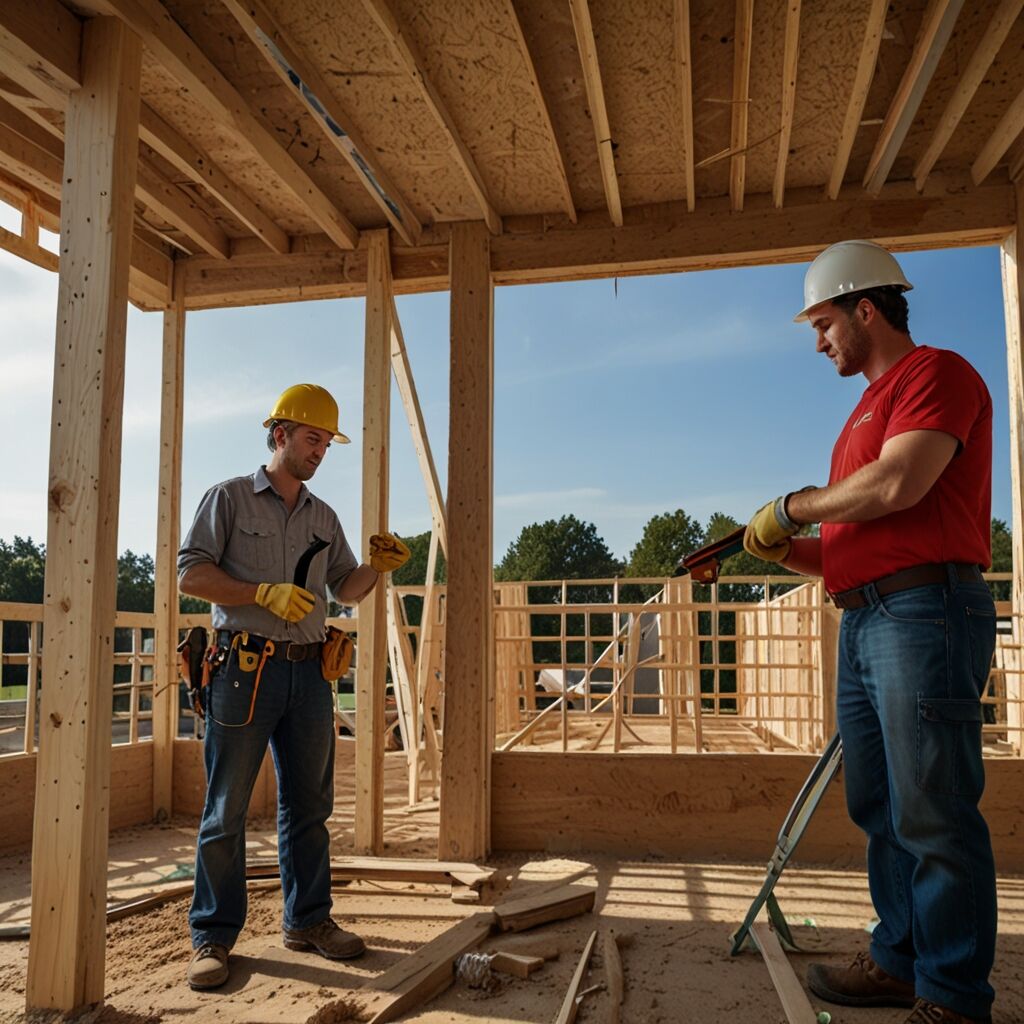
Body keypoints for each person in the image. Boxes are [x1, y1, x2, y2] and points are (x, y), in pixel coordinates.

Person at [744, 241, 997, 1024]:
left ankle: (953, 997)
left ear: (866, 307)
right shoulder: (861, 411)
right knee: (881, 805)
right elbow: (850, 548)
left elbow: (897, 484)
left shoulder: (936, 374)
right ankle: (900, 960)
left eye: (823, 324)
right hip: (869, 616)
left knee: (934, 805)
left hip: (926, 612)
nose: (819, 342)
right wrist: (782, 548)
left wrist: (793, 506)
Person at [177, 383, 410, 991]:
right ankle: (212, 935)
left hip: (310, 673)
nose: (321, 451)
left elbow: (346, 590)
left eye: (328, 443)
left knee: (310, 807)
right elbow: (190, 575)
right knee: (226, 808)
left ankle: (308, 921)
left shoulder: (323, 516)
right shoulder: (227, 499)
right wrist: (259, 593)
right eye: (314, 439)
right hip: (242, 670)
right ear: (279, 434)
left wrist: (376, 570)